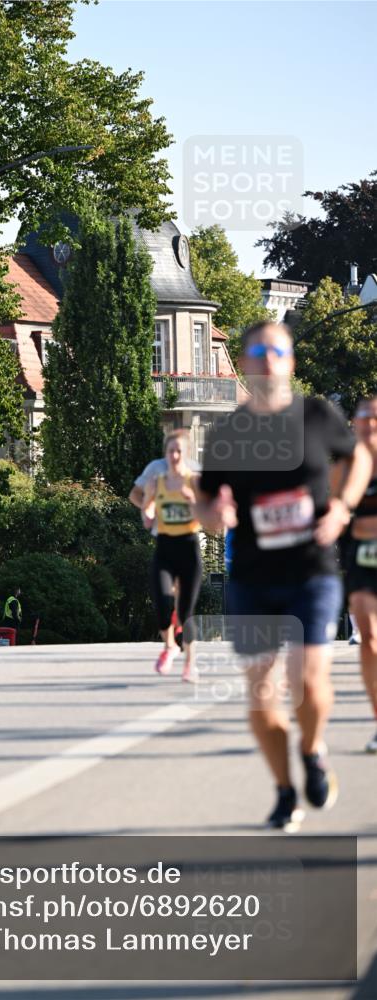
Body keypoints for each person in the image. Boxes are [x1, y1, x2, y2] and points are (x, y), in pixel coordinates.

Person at [195, 321, 372, 831]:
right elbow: (206, 502)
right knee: (263, 696)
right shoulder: (229, 432)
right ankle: (284, 789)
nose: (269, 358)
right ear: (246, 363)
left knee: (308, 682)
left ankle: (313, 751)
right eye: (258, 350)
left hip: (311, 572)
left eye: (278, 350)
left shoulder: (316, 415)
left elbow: (357, 456)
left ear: (290, 361)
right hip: (252, 576)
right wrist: (214, 517)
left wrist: (341, 507)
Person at [139, 433, 203, 681]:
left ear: (185, 454)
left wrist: (193, 501)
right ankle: (169, 647)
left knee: (186, 612)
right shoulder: (157, 481)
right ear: (165, 455)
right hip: (164, 548)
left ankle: (190, 663)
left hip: (188, 548)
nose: (174, 456)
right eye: (170, 451)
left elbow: (207, 516)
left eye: (179, 451)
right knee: (163, 603)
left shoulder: (194, 481)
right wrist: (148, 512)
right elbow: (147, 510)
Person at [343, 396, 377, 752]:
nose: (368, 424)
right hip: (362, 557)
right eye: (363, 418)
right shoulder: (349, 465)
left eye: (375, 418)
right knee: (368, 636)